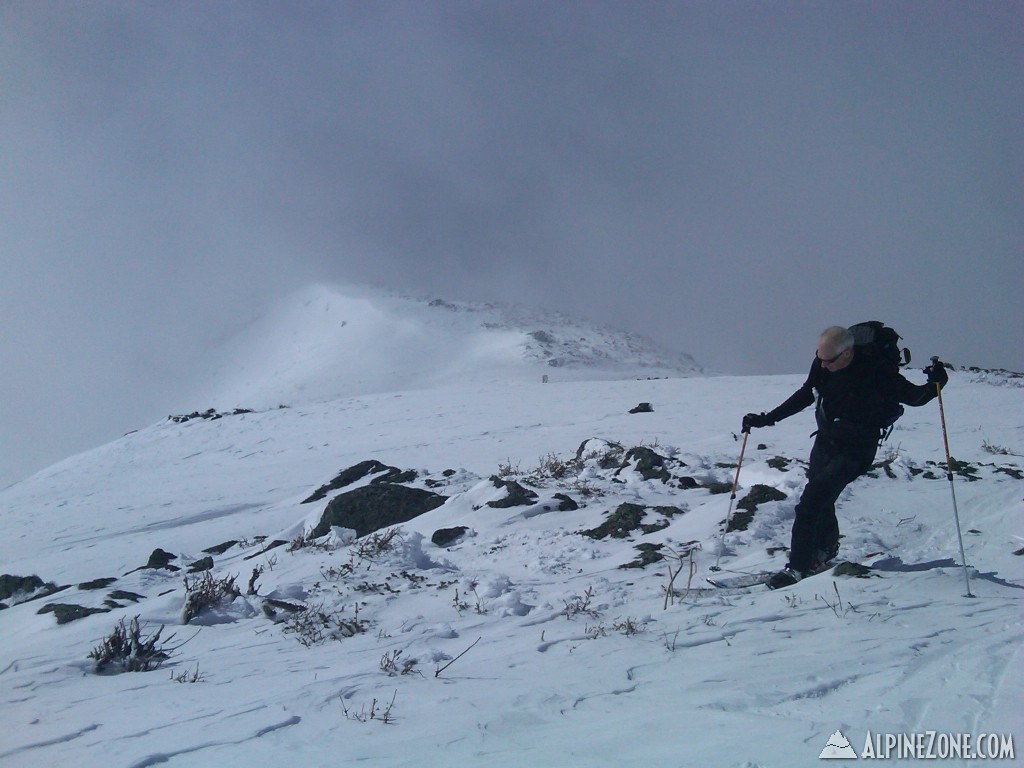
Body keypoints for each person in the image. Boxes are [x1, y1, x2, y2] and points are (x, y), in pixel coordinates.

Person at [742, 325, 948, 589]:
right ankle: (825, 550)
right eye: (820, 358)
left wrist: (938, 382)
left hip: (856, 449)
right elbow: (806, 394)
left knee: (810, 504)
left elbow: (915, 397)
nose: (823, 365)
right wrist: (766, 419)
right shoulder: (823, 363)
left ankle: (797, 569)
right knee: (821, 498)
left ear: (847, 353)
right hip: (826, 440)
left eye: (829, 361)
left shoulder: (877, 372)